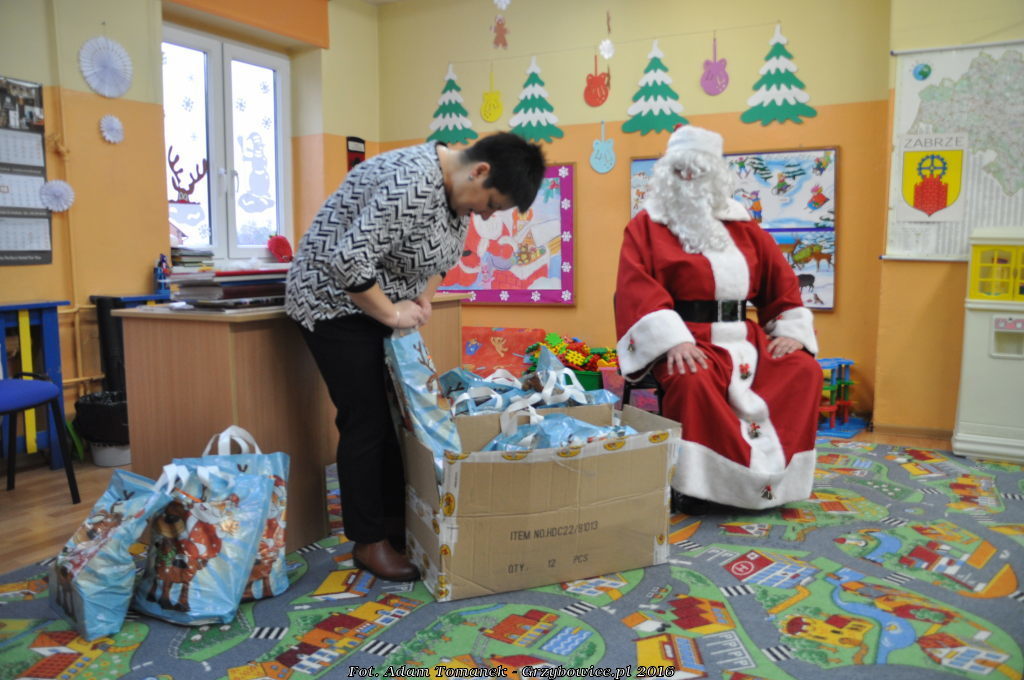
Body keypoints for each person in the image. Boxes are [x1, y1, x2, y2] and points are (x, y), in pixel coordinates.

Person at [286, 132, 545, 580]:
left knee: (399, 416)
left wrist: (423, 299)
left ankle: (395, 523)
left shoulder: (456, 192)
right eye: (490, 204)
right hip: (332, 304)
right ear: (479, 171)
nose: (486, 216)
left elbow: (443, 259)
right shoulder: (410, 181)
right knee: (366, 419)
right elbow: (348, 264)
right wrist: (392, 314)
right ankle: (368, 541)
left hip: (381, 305)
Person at [615, 126, 822, 511]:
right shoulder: (645, 226)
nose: (688, 178)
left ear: (715, 174)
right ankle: (697, 487)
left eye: (698, 170)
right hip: (687, 339)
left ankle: (774, 479)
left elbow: (780, 282)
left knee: (804, 370)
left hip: (745, 337)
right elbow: (634, 288)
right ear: (667, 173)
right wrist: (673, 340)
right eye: (680, 170)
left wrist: (791, 328)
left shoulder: (744, 226)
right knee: (691, 380)